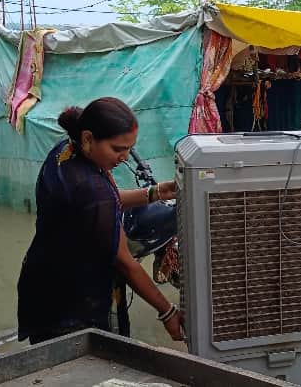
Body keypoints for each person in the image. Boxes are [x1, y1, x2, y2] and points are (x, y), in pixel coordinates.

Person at [17, 97, 184, 344]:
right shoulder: (92, 189)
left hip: (41, 284)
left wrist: (155, 192)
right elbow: (126, 263)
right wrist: (167, 310)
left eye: (129, 148)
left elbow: (103, 202)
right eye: (118, 149)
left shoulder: (65, 150)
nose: (125, 157)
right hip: (72, 306)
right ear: (88, 138)